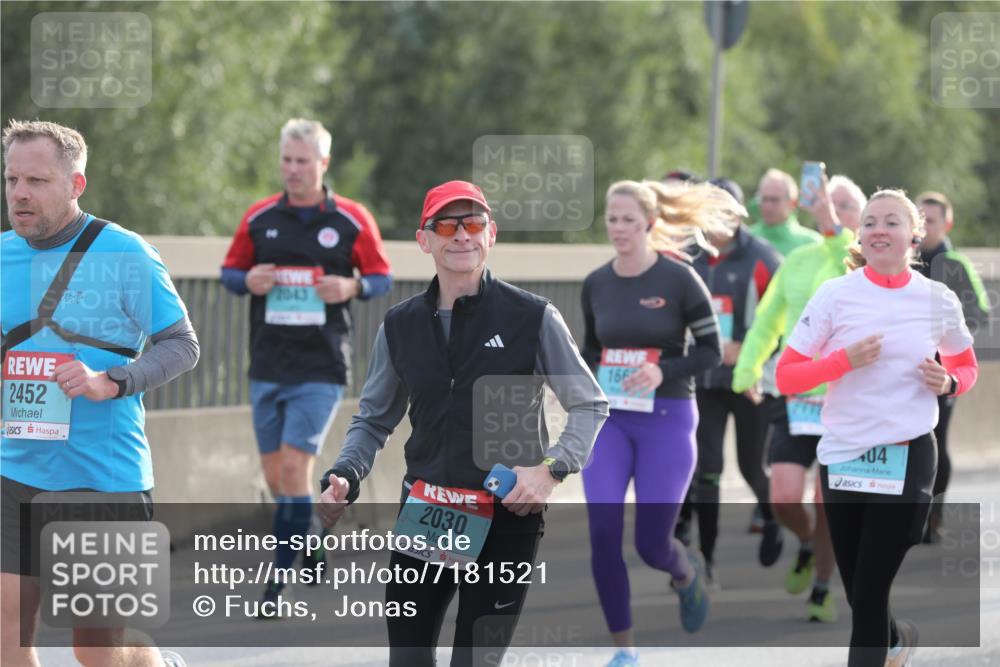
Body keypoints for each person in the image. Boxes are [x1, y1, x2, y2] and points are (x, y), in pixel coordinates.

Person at [316, 180, 608, 667]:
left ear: (490, 234)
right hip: (429, 514)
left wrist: (550, 470)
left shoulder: (532, 317)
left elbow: (590, 404)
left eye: (473, 224)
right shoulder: (401, 325)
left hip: (506, 516)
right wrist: (345, 473)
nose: (461, 236)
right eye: (446, 225)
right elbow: (372, 420)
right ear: (423, 239)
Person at [1, 120, 197, 666]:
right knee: (7, 628)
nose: (19, 193)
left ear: (75, 184)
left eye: (36, 180)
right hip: (15, 473)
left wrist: (108, 382)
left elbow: (182, 345)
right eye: (12, 178)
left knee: (97, 652)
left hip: (101, 478)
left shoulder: (127, 254)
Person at [775, 188, 978, 666]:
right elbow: (787, 375)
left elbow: (966, 369)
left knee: (868, 589)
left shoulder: (937, 299)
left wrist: (948, 382)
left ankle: (884, 644)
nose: (879, 230)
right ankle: (896, 639)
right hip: (844, 455)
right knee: (861, 595)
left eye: (891, 222)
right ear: (859, 236)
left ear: (914, 235)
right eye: (869, 223)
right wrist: (841, 361)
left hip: (907, 454)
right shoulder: (835, 295)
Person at [220, 118, 392, 615]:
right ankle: (312, 534)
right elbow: (229, 272)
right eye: (287, 161)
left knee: (297, 469)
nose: (293, 170)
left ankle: (278, 585)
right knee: (279, 479)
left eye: (303, 161)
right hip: (268, 363)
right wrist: (247, 279)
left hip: (321, 365)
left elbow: (381, 276)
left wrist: (351, 287)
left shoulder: (352, 220)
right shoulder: (259, 217)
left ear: (323, 164)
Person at [581, 180, 729, 667]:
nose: (619, 228)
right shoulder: (596, 284)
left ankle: (684, 573)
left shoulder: (680, 280)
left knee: (650, 544)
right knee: (602, 532)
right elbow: (589, 353)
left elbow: (710, 352)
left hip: (666, 419)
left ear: (648, 222)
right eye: (612, 219)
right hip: (611, 421)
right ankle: (625, 649)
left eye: (628, 219)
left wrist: (663, 369)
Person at [732, 173, 866, 623]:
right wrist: (748, 368)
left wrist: (829, 221)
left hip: (845, 404)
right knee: (784, 496)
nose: (838, 213)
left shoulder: (863, 266)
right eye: (833, 205)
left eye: (847, 207)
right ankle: (807, 542)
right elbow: (769, 319)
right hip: (796, 398)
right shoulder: (799, 259)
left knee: (830, 502)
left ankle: (823, 588)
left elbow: (838, 247)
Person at [685, 177, 784, 587]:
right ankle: (707, 560)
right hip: (704, 378)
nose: (714, 220)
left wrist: (746, 349)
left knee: (750, 466)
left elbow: (785, 318)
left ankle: (773, 517)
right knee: (707, 467)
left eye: (724, 210)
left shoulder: (763, 258)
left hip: (749, 379)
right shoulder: (688, 255)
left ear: (740, 213)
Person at [915, 191, 990, 542]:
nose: (925, 225)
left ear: (947, 223)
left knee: (935, 439)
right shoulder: (902, 258)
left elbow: (980, 314)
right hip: (906, 371)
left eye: (932, 219)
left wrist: (947, 340)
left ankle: (934, 515)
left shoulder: (956, 264)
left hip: (943, 374)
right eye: (920, 217)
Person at [749, 168, 822, 257]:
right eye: (764, 199)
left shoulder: (811, 243)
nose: (768, 205)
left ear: (792, 203)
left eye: (774, 200)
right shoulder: (746, 239)